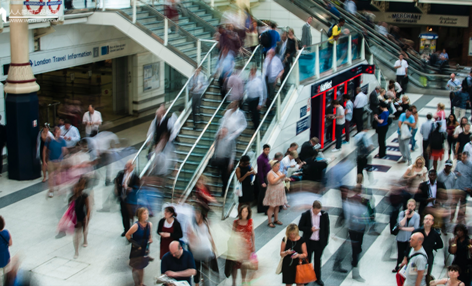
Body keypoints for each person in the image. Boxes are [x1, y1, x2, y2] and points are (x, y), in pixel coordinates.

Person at [298, 200, 329, 286]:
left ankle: (317, 278)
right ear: (313, 208)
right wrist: (310, 229)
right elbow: (300, 226)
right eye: (315, 211)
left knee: (318, 260)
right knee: (307, 260)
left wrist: (325, 242)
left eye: (318, 211)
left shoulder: (324, 215)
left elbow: (326, 229)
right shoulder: (306, 215)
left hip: (319, 242)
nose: (316, 213)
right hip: (309, 242)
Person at [187, 205, 217, 286]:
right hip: (196, 251)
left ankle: (204, 279)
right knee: (196, 267)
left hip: (205, 250)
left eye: (198, 214)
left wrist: (213, 247)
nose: (197, 216)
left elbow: (209, 235)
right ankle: (197, 283)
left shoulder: (205, 223)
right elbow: (189, 238)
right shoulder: (192, 225)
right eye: (195, 214)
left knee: (205, 267)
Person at [412, 214, 444, 282]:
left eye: (430, 220)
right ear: (423, 221)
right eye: (426, 219)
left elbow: (440, 244)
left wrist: (433, 247)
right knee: (414, 273)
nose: (428, 221)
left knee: (427, 273)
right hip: (416, 254)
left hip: (428, 255)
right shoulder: (417, 231)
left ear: (432, 222)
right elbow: (410, 244)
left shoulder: (435, 233)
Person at [125, 207, 152, 286]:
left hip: (144, 250)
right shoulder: (136, 226)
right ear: (140, 215)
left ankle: (141, 283)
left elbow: (150, 235)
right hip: (136, 250)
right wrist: (135, 244)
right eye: (144, 213)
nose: (146, 215)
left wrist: (150, 239)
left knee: (142, 267)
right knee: (136, 267)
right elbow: (127, 235)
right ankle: (136, 283)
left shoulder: (149, 224)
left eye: (147, 213)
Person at [231, 205, 255, 285]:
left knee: (244, 265)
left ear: (249, 213)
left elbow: (252, 234)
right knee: (234, 265)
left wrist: (253, 245)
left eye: (246, 211)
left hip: (246, 247)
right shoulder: (236, 222)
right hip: (237, 247)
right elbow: (232, 235)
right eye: (243, 211)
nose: (244, 213)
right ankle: (234, 282)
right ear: (240, 212)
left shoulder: (250, 221)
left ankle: (243, 281)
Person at [393, 199, 420, 272]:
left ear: (414, 207)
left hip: (410, 238)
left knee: (408, 253)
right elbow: (401, 223)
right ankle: (398, 267)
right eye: (409, 205)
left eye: (412, 206)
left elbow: (415, 228)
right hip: (401, 237)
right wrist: (406, 216)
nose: (410, 207)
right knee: (400, 253)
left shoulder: (416, 216)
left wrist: (402, 228)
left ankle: (407, 268)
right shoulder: (402, 213)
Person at [115, 160, 141, 237]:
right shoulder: (121, 174)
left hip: (130, 200)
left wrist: (130, 189)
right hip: (123, 198)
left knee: (130, 215)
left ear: (132, 166)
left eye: (129, 166)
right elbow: (117, 181)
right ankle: (126, 229)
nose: (127, 167)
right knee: (123, 215)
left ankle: (131, 230)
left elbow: (138, 187)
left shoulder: (135, 177)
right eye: (126, 166)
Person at [70, 177, 90, 259]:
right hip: (76, 217)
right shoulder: (72, 198)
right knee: (76, 234)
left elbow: (88, 208)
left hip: (82, 215)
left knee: (84, 229)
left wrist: (87, 216)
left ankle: (85, 239)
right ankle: (76, 251)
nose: (75, 189)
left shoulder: (84, 196)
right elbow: (70, 209)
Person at [45, 126, 68, 198]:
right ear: (54, 132)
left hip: (59, 161)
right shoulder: (50, 141)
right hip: (51, 161)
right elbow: (46, 151)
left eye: (59, 132)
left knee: (58, 176)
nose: (58, 134)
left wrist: (62, 158)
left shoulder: (62, 141)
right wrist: (45, 161)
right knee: (51, 176)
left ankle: (59, 188)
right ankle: (51, 191)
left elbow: (64, 150)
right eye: (57, 132)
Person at [212, 127, 236, 196]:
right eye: (222, 132)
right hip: (218, 159)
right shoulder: (218, 138)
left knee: (224, 177)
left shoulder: (230, 140)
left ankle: (224, 191)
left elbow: (233, 152)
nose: (223, 133)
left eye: (224, 132)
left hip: (226, 160)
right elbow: (215, 148)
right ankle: (215, 190)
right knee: (216, 175)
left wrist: (231, 163)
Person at [263, 161, 287, 228]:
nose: (279, 168)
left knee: (277, 206)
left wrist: (285, 178)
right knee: (272, 206)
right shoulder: (270, 173)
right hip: (273, 191)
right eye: (278, 166)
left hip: (279, 191)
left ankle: (276, 219)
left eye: (279, 166)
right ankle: (269, 221)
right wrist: (280, 177)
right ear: (273, 166)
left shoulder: (278, 172)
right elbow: (272, 181)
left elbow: (281, 179)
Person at [245, 64, 265, 130]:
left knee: (256, 114)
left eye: (252, 71)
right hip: (250, 99)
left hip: (256, 99)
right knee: (251, 113)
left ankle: (257, 127)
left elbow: (261, 92)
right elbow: (247, 88)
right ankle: (254, 125)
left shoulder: (258, 80)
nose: (251, 72)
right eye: (250, 70)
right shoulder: (249, 79)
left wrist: (260, 103)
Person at [257, 144, 271, 213]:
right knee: (262, 194)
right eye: (266, 150)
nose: (267, 151)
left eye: (268, 150)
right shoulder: (260, 158)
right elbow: (260, 171)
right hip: (263, 178)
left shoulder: (266, 157)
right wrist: (262, 181)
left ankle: (263, 207)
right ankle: (261, 208)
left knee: (265, 193)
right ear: (263, 150)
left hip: (267, 177)